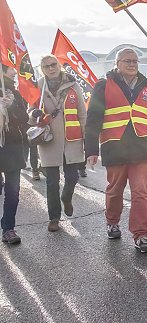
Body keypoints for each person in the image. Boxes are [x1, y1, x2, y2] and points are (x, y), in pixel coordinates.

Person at [85, 48, 147, 253]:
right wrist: (91, 149)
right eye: (127, 61)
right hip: (115, 147)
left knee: (140, 192)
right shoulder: (103, 86)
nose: (132, 64)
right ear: (117, 63)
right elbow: (93, 119)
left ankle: (140, 235)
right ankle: (112, 222)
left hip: (141, 148)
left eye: (135, 61)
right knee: (115, 190)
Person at [30, 55, 86, 232]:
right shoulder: (38, 86)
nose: (50, 68)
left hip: (72, 138)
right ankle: (54, 217)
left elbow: (82, 113)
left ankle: (66, 197)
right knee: (51, 182)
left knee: (73, 177)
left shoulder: (73, 84)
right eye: (46, 66)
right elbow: (30, 113)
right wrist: (34, 114)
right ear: (42, 68)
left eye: (53, 64)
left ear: (59, 65)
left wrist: (88, 140)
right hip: (49, 140)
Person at [1, 65, 28, 245]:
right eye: (10, 68)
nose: (14, 71)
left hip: (12, 146)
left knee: (13, 191)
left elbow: (24, 117)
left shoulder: (13, 91)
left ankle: (8, 228)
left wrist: (10, 107)